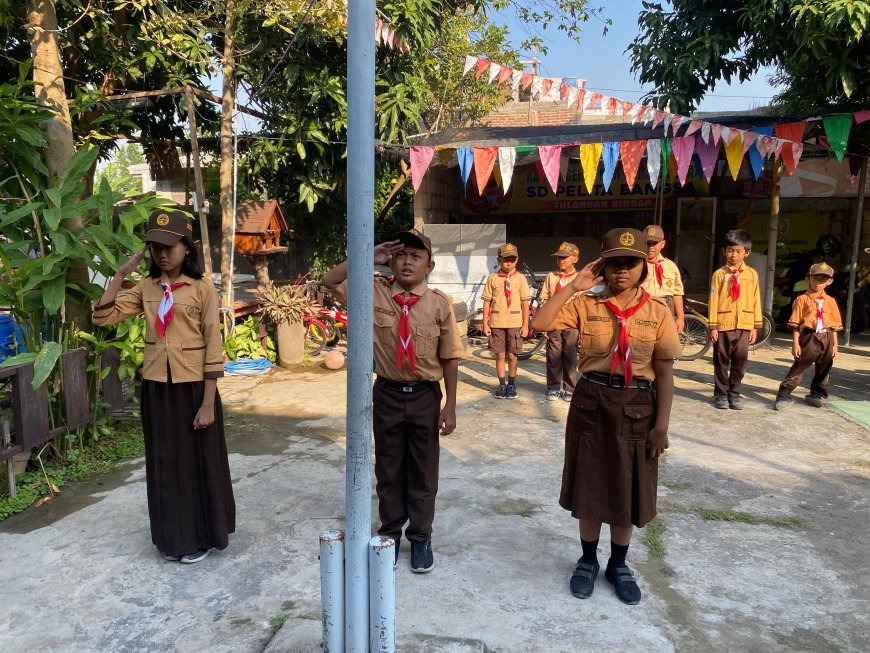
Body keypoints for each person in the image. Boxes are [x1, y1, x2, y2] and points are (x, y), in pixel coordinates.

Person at [531, 228, 680, 606]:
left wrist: (661, 425)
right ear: (602, 266)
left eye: (630, 263)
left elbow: (664, 372)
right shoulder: (587, 305)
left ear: (643, 267)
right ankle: (586, 560)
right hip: (592, 400)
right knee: (590, 484)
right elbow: (540, 324)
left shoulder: (657, 312)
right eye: (613, 263)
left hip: (638, 405)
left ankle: (618, 564)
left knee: (627, 488)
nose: (621, 271)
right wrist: (574, 286)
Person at [92, 209, 235, 564]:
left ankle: (201, 536)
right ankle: (172, 537)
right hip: (158, 388)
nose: (162, 253)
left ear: (187, 248)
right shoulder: (146, 288)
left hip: (193, 390)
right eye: (156, 246)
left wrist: (207, 403)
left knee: (196, 464)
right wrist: (121, 275)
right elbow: (102, 316)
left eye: (170, 246)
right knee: (165, 464)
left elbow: (213, 345)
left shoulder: (202, 288)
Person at [321, 230, 463, 573]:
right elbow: (329, 281)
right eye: (401, 255)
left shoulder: (439, 303)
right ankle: (389, 534)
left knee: (423, 470)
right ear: (391, 261)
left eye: (416, 256)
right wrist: (367, 256)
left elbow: (450, 358)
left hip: (426, 396)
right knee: (388, 468)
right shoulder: (373, 291)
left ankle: (420, 538)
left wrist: (451, 406)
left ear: (429, 265)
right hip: (386, 392)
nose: (407, 261)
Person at [774, 262, 842, 410]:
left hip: (828, 336)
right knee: (799, 367)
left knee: (825, 368)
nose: (818, 283)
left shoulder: (831, 301)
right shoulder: (801, 299)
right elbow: (796, 325)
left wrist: (835, 345)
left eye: (823, 280)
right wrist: (796, 344)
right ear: (808, 278)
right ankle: (784, 395)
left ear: (829, 281)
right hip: (809, 336)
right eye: (815, 278)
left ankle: (817, 394)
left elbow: (834, 326)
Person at [708, 229, 762, 410]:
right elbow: (713, 299)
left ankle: (734, 394)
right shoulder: (719, 275)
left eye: (738, 251)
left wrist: (755, 325)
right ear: (724, 251)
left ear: (747, 253)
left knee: (740, 361)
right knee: (721, 361)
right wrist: (713, 326)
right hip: (723, 324)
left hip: (744, 324)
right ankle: (721, 394)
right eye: (730, 250)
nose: (734, 255)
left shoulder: (752, 274)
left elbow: (756, 299)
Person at [481, 243, 531, 399]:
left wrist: (525, 325)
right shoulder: (492, 278)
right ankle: (502, 384)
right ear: (498, 260)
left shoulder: (521, 279)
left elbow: (525, 303)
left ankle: (512, 384)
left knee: (513, 355)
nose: (509, 263)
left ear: (517, 260)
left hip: (515, 323)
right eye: (505, 260)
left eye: (512, 259)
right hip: (497, 322)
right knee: (500, 355)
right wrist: (485, 322)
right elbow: (487, 302)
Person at [538, 242, 581, 401]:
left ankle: (569, 388)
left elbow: (583, 304)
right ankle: (554, 387)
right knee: (553, 353)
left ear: (575, 259)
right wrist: (543, 323)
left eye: (564, 257)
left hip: (571, 323)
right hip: (553, 322)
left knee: (570, 355)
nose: (560, 260)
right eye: (558, 257)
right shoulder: (551, 276)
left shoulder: (579, 278)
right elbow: (544, 300)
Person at [641, 225, 685, 332]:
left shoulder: (670, 266)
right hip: (644, 307)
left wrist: (680, 318)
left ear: (663, 244)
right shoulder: (637, 265)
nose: (651, 247)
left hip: (666, 307)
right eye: (648, 243)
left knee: (665, 342)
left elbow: (677, 293)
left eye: (655, 243)